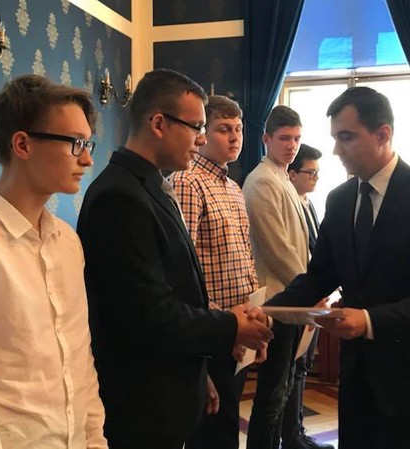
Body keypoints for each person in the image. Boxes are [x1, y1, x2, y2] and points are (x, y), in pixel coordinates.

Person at [266, 86, 410, 449]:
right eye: (335, 138)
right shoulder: (340, 199)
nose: (336, 150)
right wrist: (268, 312)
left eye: (346, 137)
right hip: (357, 373)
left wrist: (370, 320)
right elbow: (319, 276)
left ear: (383, 134)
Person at [76, 69, 272, 449]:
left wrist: (200, 372)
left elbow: (181, 290)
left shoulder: (152, 184)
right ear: (158, 124)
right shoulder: (120, 196)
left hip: (168, 387)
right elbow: (149, 314)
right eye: (196, 127)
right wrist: (230, 326)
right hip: (140, 402)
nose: (202, 139)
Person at [0, 75, 107, 449]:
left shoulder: (67, 242)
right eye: (75, 143)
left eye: (88, 143)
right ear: (23, 144)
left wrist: (94, 439)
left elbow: (80, 358)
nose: (87, 159)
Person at [169, 95, 260, 449]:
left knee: (227, 426)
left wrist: (255, 318)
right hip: (212, 329)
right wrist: (218, 330)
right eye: (224, 129)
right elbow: (182, 269)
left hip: (239, 327)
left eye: (239, 129)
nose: (234, 137)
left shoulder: (234, 188)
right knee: (211, 434)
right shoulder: (187, 181)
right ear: (203, 133)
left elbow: (246, 259)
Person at [243, 105, 310, 449]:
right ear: (266, 138)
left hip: (291, 298)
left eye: (296, 139)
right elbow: (278, 248)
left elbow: (299, 243)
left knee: (282, 390)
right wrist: (310, 289)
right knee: (271, 394)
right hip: (277, 300)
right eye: (284, 138)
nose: (292, 145)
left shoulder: (282, 176)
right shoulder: (262, 180)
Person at [283, 143, 333, 449]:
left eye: (317, 172)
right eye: (309, 172)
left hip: (316, 300)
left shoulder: (309, 204)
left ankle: (297, 431)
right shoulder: (289, 205)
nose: (315, 177)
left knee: (303, 367)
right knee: (293, 369)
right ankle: (290, 435)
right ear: (292, 174)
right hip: (298, 300)